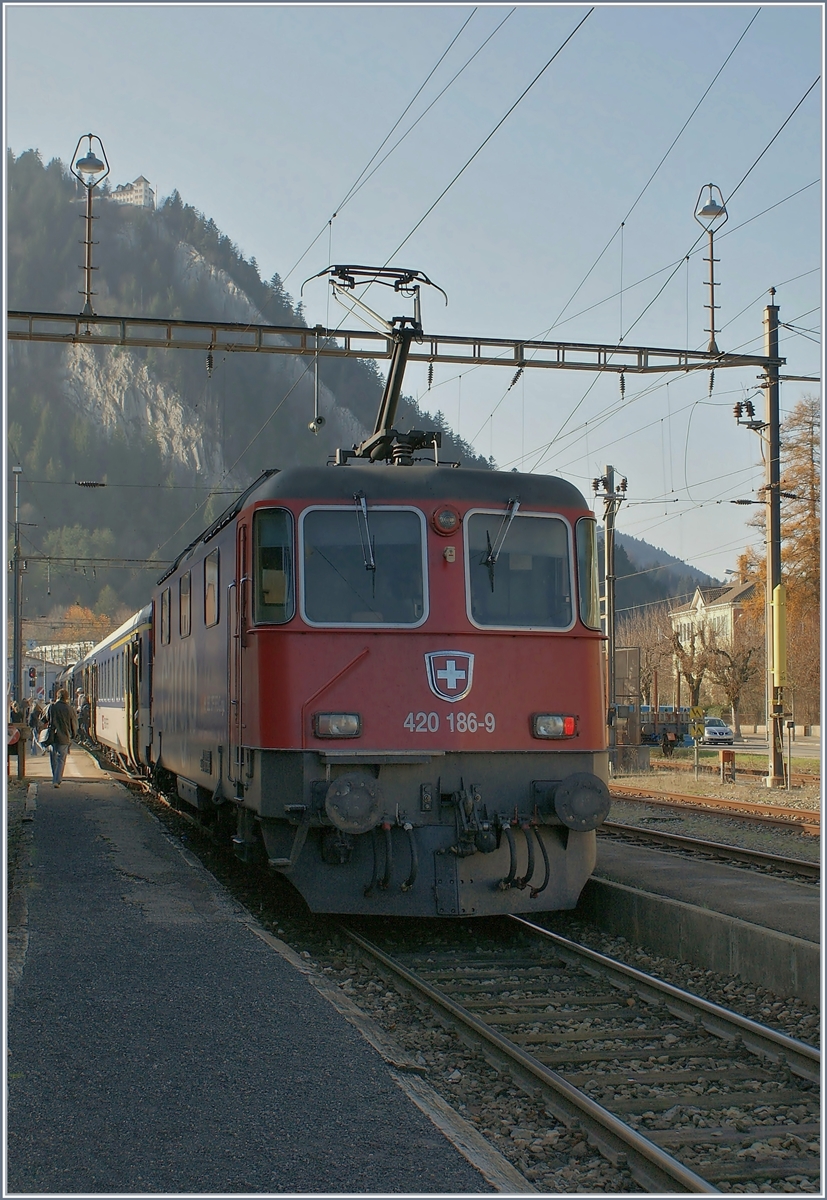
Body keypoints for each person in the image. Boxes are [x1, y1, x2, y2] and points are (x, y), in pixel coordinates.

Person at [46, 688, 79, 787]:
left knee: (53, 758)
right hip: (64, 737)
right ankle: (57, 780)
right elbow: (74, 723)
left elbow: (46, 719)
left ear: (57, 696)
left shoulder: (52, 707)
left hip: (53, 736)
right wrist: (73, 735)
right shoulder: (69, 709)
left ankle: (54, 778)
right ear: (66, 698)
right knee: (61, 759)